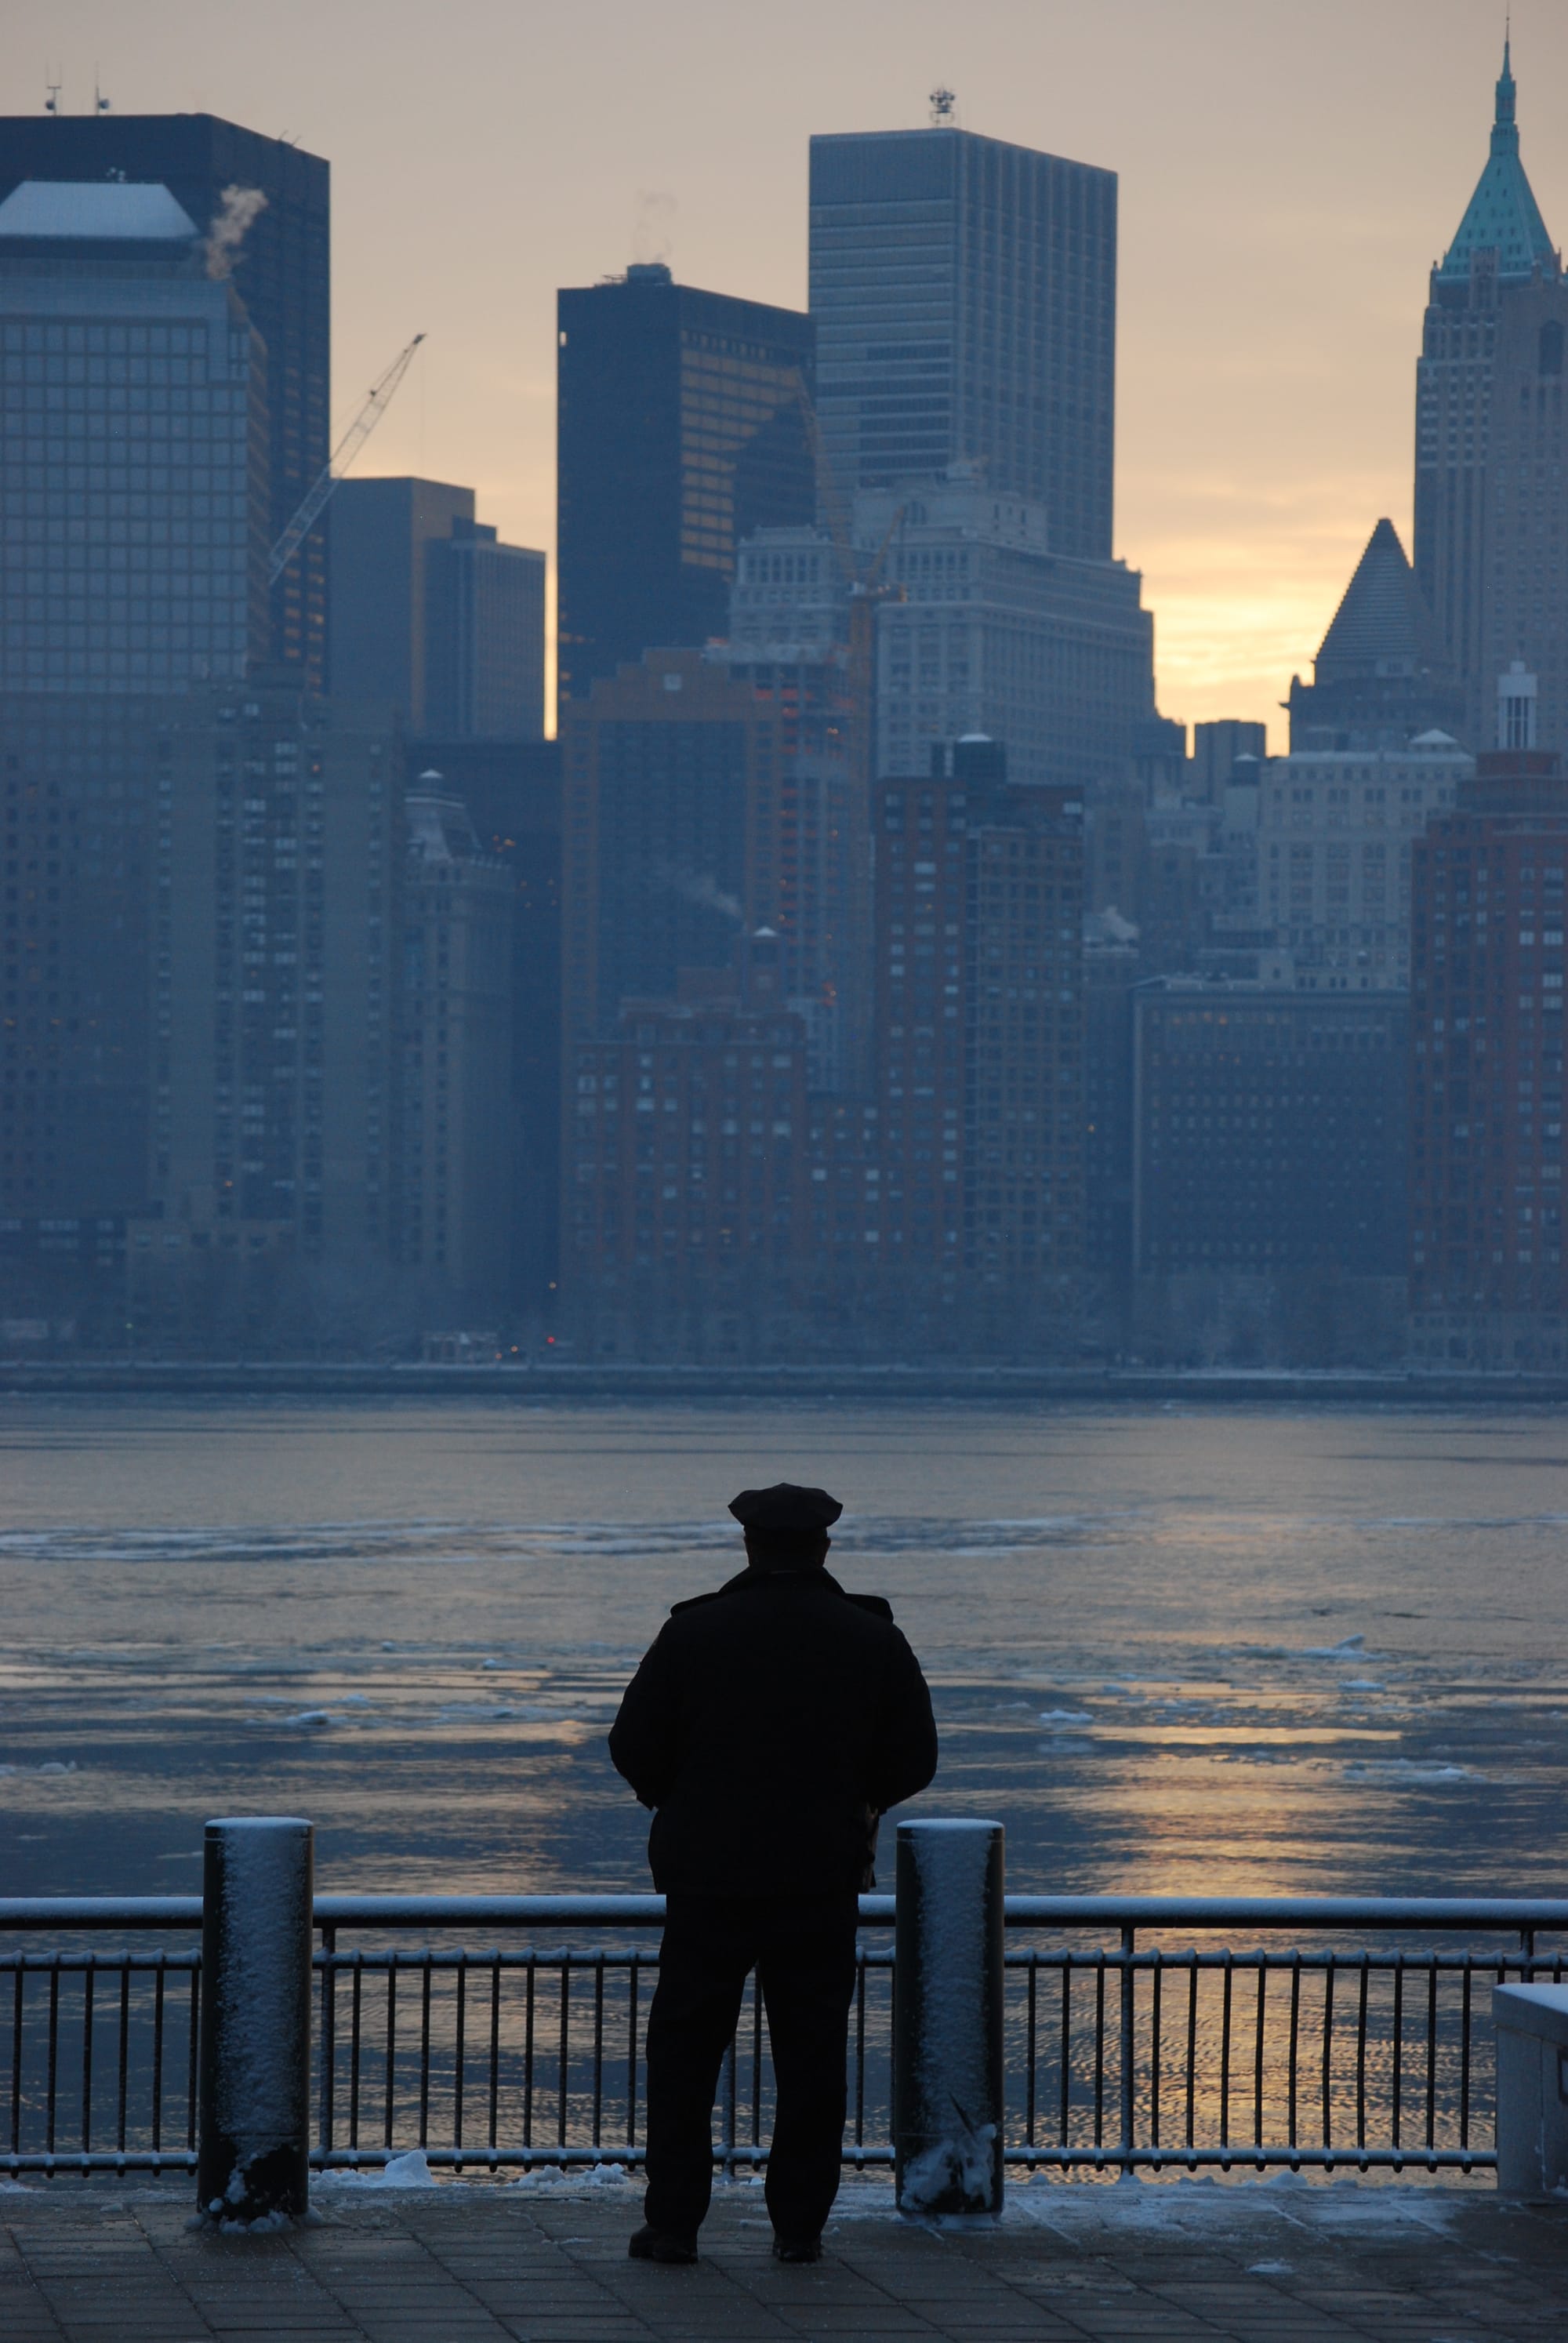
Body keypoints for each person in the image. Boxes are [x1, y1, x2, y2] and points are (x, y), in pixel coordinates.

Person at [608, 1481, 938, 2265]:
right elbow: (914, 1758)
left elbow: (632, 1744)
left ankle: (675, 2223)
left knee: (685, 2054)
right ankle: (798, 2227)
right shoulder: (870, 1639)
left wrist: (676, 1800)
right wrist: (856, 1802)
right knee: (811, 2055)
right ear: (822, 1548)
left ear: (747, 1546)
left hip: (707, 1880)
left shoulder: (692, 1634)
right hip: (819, 1878)